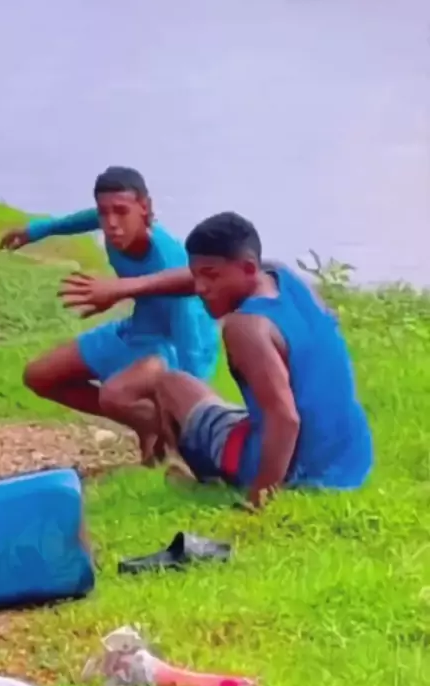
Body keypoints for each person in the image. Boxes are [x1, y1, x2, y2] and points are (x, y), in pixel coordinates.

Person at [154, 211, 373, 510]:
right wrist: (124, 289)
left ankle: (200, 479)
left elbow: (285, 419)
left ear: (248, 268)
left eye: (211, 276)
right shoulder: (286, 279)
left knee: (171, 385)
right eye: (196, 276)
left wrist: (259, 498)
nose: (200, 288)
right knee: (238, 407)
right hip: (351, 459)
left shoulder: (245, 327)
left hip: (302, 472)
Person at [0, 166, 219, 463]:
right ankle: (149, 422)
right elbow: (87, 219)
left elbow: (190, 331)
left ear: (145, 208)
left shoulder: (168, 259)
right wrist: (37, 230)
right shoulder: (113, 226)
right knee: (39, 377)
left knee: (115, 395)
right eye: (105, 213)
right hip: (137, 329)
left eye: (121, 211)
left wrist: (194, 404)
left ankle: (171, 434)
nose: (111, 224)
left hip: (173, 344)